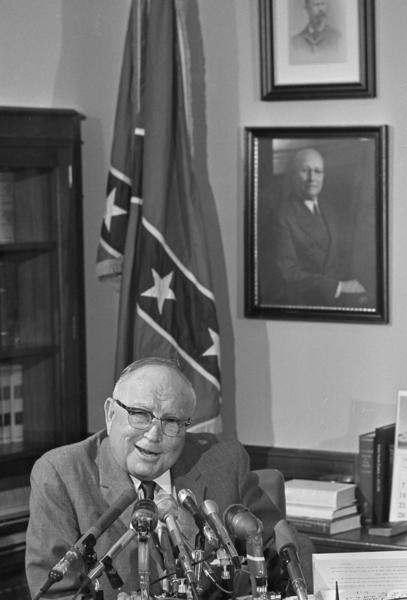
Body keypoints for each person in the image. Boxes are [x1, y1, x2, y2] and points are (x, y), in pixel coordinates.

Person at [25, 357, 308, 600]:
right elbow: (55, 593)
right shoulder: (61, 474)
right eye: (139, 415)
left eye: (171, 421)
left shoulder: (224, 460)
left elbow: (285, 548)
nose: (153, 434)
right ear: (111, 413)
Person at [269, 147, 368, 307]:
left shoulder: (329, 208)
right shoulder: (282, 216)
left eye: (317, 171)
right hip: (305, 303)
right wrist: (339, 287)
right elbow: (288, 273)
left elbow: (340, 256)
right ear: (293, 175)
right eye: (304, 171)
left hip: (338, 298)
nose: (312, 178)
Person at [290, 0, 345, 64]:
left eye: (323, 4)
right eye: (316, 5)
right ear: (307, 8)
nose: (320, 9)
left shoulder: (338, 38)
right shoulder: (296, 42)